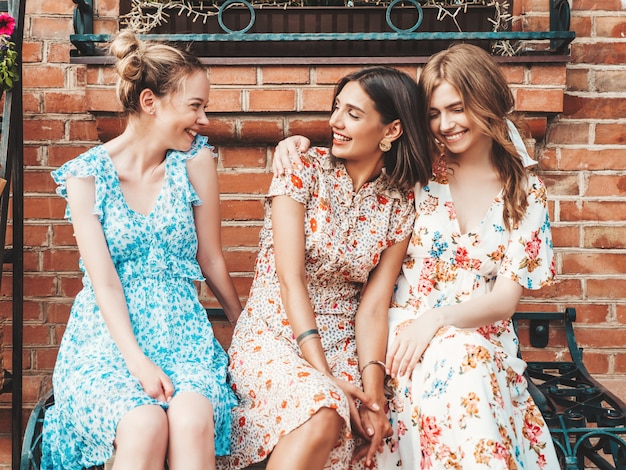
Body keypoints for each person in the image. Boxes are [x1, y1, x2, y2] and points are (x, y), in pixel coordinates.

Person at [273, 43, 559, 469]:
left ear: (486, 102)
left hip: (479, 336)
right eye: (433, 114)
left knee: (464, 360)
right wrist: (295, 144)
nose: (445, 125)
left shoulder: (525, 193)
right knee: (460, 367)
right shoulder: (418, 171)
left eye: (457, 109)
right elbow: (357, 148)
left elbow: (505, 301)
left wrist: (439, 320)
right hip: (402, 338)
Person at [42, 30, 242, 470]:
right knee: (143, 423)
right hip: (108, 343)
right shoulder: (85, 177)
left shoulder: (195, 162)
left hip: (183, 336)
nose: (204, 120)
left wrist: (242, 329)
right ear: (150, 102)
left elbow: (210, 259)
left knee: (191, 420)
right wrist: (139, 363)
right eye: (195, 106)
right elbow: (105, 284)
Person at [217, 66, 431, 470]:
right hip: (276, 334)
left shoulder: (400, 202)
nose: (334, 121)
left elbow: (373, 306)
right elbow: (289, 278)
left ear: (391, 131)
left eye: (353, 113)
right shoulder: (302, 168)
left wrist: (374, 394)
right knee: (323, 408)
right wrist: (324, 376)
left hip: (344, 345)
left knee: (369, 428)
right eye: (336, 108)